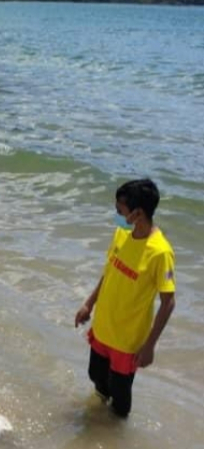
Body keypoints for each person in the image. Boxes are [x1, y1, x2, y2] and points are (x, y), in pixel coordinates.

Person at [74, 178, 176, 418]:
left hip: (127, 340)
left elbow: (168, 302)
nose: (116, 213)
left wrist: (149, 346)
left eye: (120, 209)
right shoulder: (121, 235)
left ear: (137, 213)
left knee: (120, 397)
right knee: (96, 378)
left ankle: (116, 439)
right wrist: (89, 303)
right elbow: (108, 273)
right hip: (103, 327)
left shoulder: (160, 252)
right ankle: (98, 422)